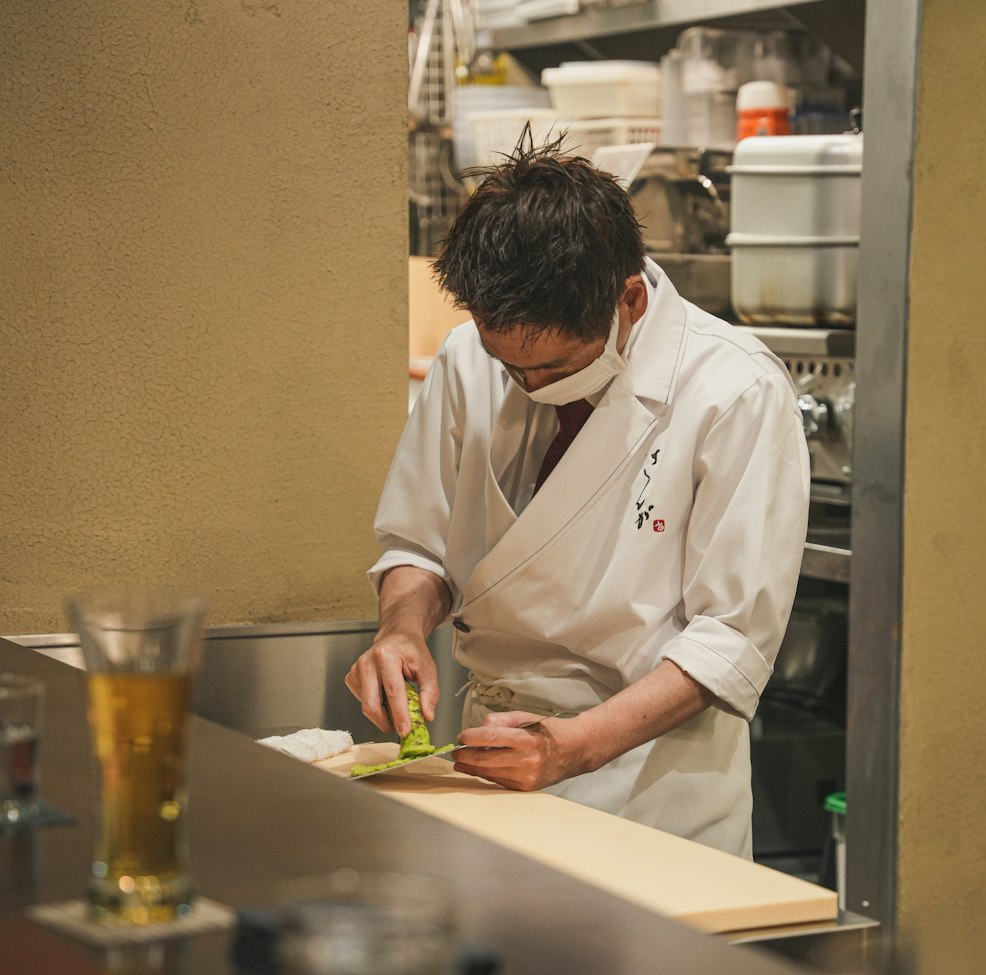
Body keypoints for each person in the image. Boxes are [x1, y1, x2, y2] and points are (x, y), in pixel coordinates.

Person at [346, 138, 809, 858]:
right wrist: (401, 629)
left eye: (555, 365)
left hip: (648, 790)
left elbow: (731, 639)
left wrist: (579, 746)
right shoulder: (470, 359)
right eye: (511, 366)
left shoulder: (735, 389)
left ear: (627, 299)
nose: (529, 385)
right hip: (489, 766)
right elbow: (419, 545)